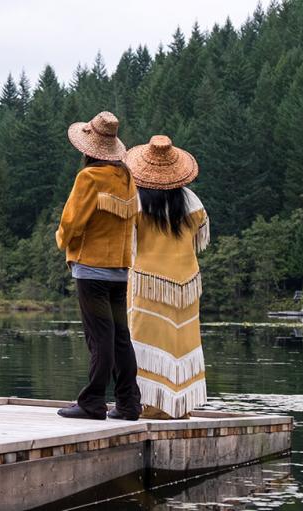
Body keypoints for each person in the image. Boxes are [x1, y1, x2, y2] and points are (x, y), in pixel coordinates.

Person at [55, 111, 142, 421]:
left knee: (99, 337)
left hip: (91, 268)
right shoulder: (127, 177)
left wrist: (62, 240)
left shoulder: (88, 177)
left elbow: (72, 222)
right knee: (120, 337)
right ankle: (129, 403)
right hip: (120, 271)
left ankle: (92, 403)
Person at [124, 135, 209, 419]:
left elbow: (129, 238)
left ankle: (151, 404)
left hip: (148, 282)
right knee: (181, 342)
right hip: (186, 281)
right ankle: (180, 406)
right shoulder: (191, 201)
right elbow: (199, 234)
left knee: (144, 343)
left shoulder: (135, 199)